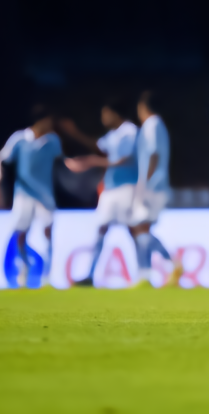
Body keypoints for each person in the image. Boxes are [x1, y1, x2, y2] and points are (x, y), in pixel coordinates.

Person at [62, 98, 140, 287]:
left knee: (134, 230)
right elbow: (98, 146)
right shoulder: (113, 134)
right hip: (110, 189)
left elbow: (122, 159)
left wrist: (91, 161)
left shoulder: (129, 131)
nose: (103, 118)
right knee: (102, 229)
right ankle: (90, 275)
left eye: (106, 113)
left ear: (115, 114)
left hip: (126, 187)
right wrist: (74, 133)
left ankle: (145, 272)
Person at [0, 105, 62, 288]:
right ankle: (24, 266)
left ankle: (47, 276)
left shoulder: (53, 140)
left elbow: (61, 163)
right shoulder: (19, 139)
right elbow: (1, 159)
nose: (51, 124)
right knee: (21, 234)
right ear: (41, 121)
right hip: (24, 196)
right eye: (49, 120)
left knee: (48, 232)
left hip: (45, 197)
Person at [130, 91, 182, 287]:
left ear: (143, 107)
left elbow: (153, 154)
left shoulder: (151, 125)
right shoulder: (159, 125)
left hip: (153, 186)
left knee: (139, 228)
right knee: (141, 229)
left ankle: (158, 268)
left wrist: (144, 184)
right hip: (157, 185)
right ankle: (154, 271)